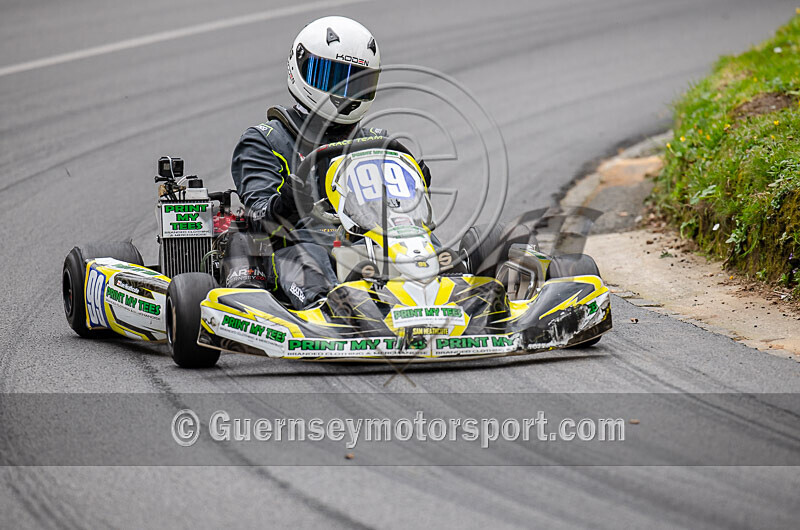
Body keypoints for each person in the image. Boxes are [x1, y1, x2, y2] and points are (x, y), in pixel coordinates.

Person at [227, 16, 389, 309]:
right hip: (295, 248)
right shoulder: (265, 140)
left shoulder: (376, 142)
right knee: (309, 252)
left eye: (355, 81)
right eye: (331, 76)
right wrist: (288, 199)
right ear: (299, 67)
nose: (341, 91)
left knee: (421, 250)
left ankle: (457, 297)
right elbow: (260, 215)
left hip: (367, 245)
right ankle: (332, 309)